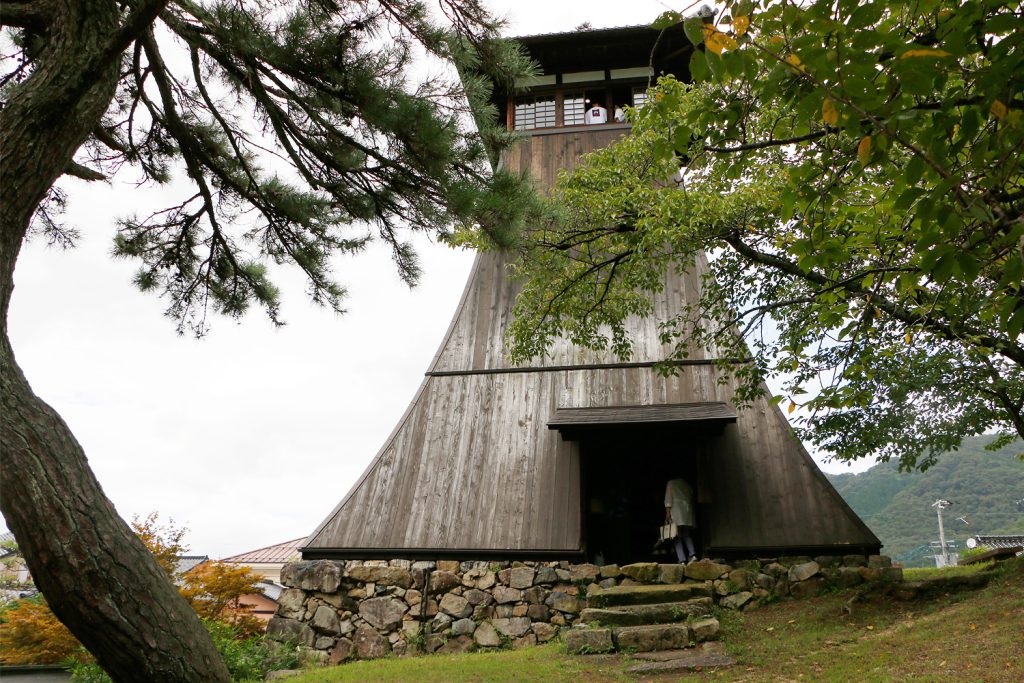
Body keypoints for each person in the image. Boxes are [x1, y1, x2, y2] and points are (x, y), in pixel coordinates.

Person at [664, 478, 697, 563]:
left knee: (676, 536)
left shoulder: (671, 483)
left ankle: (682, 560)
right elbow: (691, 498)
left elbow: (668, 499)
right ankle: (692, 555)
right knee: (686, 534)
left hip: (676, 512)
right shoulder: (687, 485)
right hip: (687, 513)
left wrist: (668, 514)